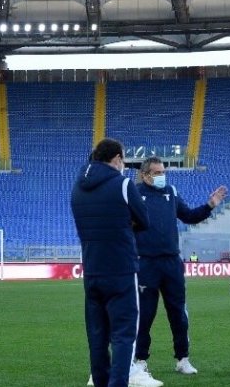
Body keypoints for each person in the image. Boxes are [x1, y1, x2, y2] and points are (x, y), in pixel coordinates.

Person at [132, 157, 227, 381]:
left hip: (172, 263)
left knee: (178, 313)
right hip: (146, 262)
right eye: (156, 172)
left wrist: (209, 206)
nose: (161, 176)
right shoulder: (135, 193)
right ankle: (141, 361)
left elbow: (189, 216)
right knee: (145, 314)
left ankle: (182, 359)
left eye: (162, 172)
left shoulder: (171, 192)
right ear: (145, 175)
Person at [72, 138, 153, 387]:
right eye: (124, 160)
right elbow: (144, 220)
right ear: (117, 158)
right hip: (121, 270)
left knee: (97, 335)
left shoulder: (77, 187)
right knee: (123, 334)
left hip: (92, 269)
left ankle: (100, 382)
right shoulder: (123, 184)